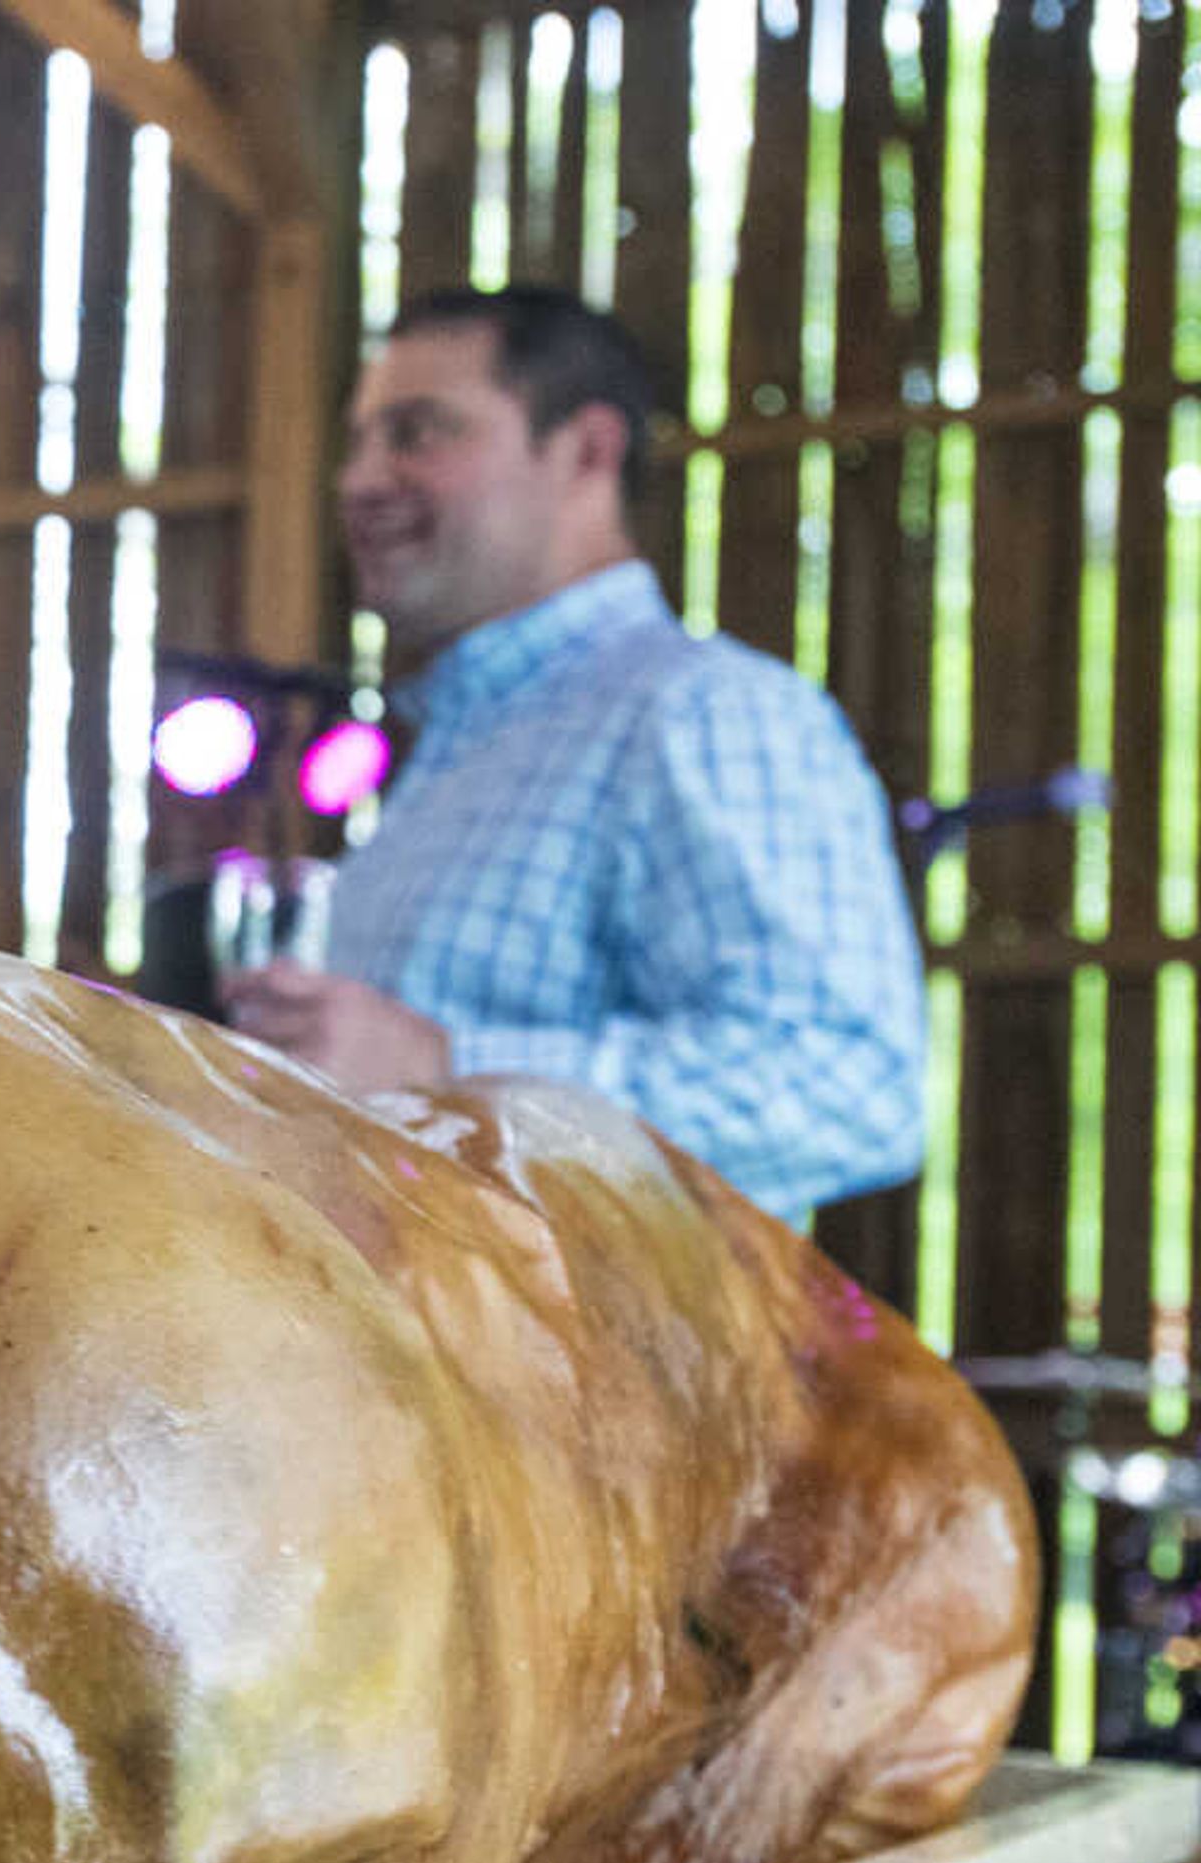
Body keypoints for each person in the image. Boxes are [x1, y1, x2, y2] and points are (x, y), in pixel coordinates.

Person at [221, 284, 924, 1223]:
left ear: (587, 449)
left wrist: (447, 1067)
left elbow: (850, 1088)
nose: (359, 481)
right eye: (359, 444)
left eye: (418, 432)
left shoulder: (702, 712)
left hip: (607, 1374)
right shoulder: (456, 748)